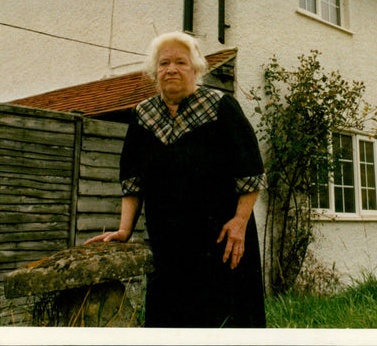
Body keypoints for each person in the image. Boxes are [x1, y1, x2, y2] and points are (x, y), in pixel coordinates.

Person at [86, 31, 266, 328]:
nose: (171, 69)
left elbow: (251, 172)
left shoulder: (222, 107)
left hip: (222, 238)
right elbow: (132, 179)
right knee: (171, 318)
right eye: (164, 62)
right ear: (154, 71)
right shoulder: (143, 115)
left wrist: (239, 222)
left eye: (181, 62)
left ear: (196, 69)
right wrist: (124, 229)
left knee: (226, 320)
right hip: (168, 241)